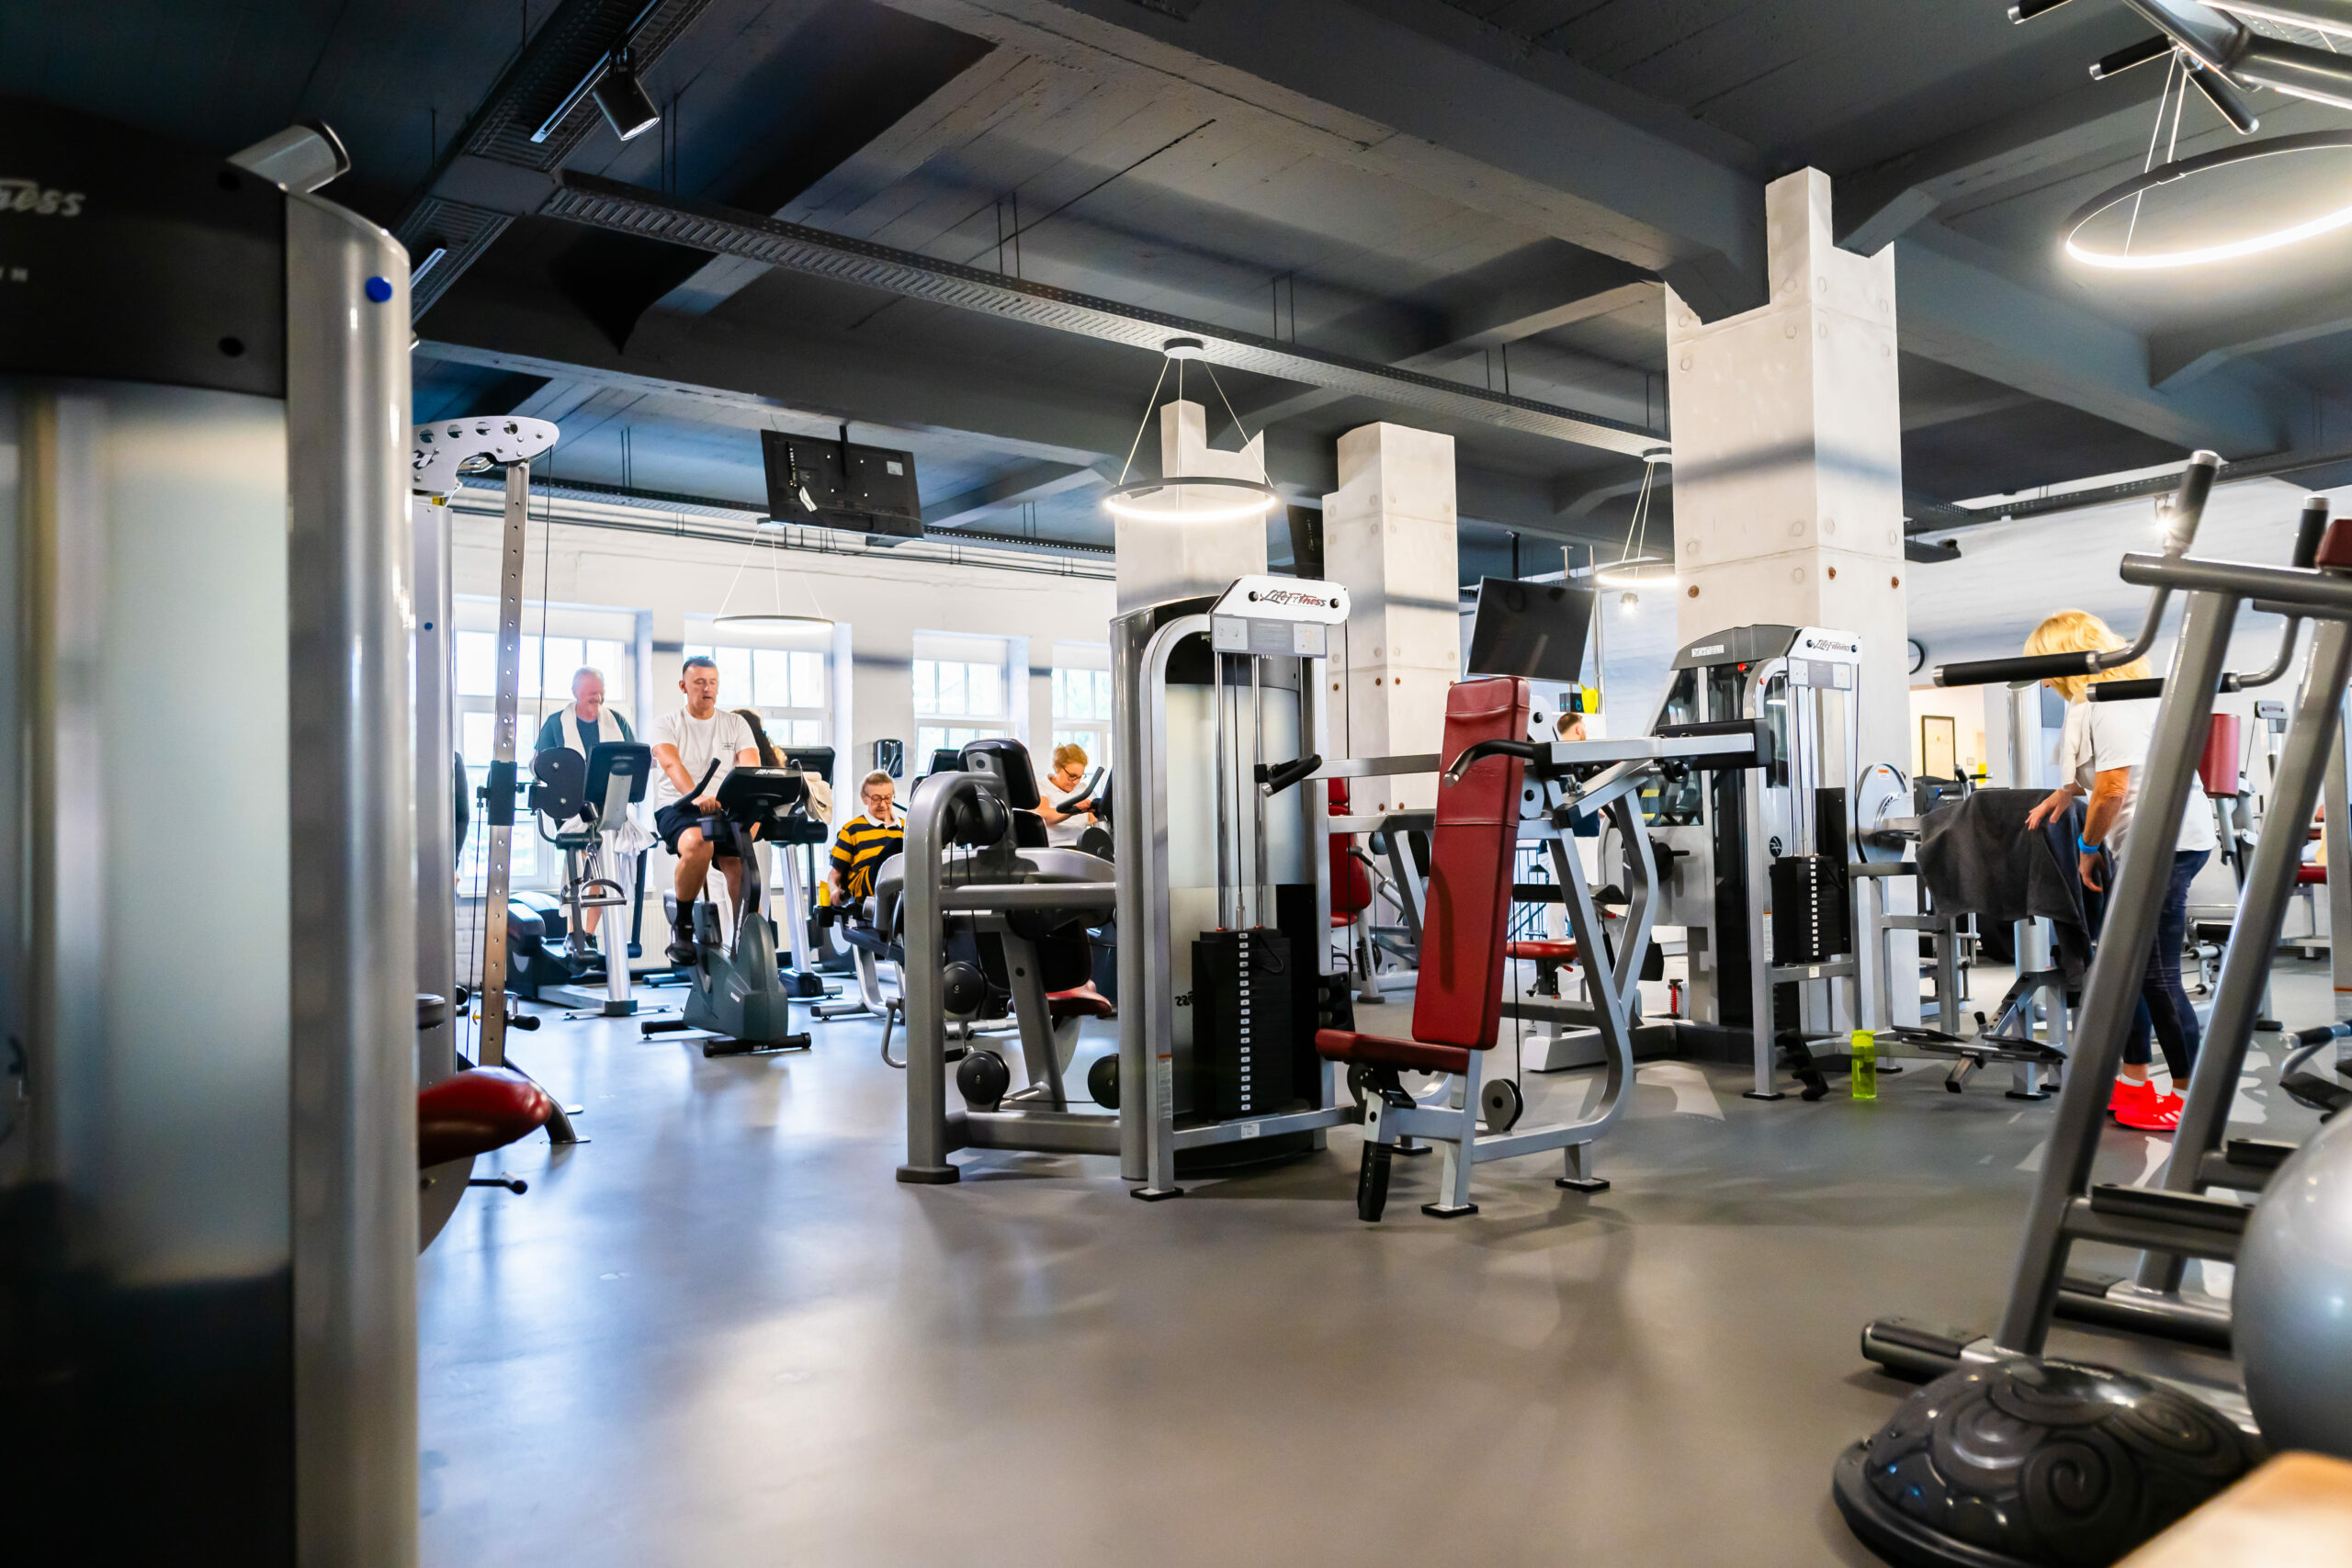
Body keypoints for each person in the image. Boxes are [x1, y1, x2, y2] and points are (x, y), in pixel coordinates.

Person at [2020, 609, 2217, 1134]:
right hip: (2143, 844)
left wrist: (2087, 847)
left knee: (2155, 973)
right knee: (2120, 967)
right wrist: (2064, 792)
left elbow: (2112, 788)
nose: (2042, 679)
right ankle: (2134, 1082)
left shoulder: (2113, 699)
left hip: (2167, 844)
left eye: (2043, 667)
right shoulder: (2090, 700)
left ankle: (2190, 1099)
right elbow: (2098, 770)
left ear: (2063, 659)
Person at [649, 656, 761, 965]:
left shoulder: (735, 724)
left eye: (712, 682)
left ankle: (747, 941)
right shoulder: (666, 723)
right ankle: (683, 927)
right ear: (683, 686)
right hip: (678, 806)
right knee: (700, 844)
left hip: (724, 807)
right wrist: (695, 796)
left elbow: (750, 765)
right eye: (699, 682)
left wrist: (749, 803)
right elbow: (671, 764)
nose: (706, 688)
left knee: (740, 864)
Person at [533, 667, 637, 934]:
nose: (597, 699)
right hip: (570, 805)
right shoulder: (556, 723)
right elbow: (538, 763)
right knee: (582, 861)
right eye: (591, 694)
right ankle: (574, 931)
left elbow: (634, 758)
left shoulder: (617, 721)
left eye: (601, 693)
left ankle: (587, 933)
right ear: (575, 692)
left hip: (609, 803)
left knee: (604, 861)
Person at [830, 771, 904, 905]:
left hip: (902, 885)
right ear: (864, 798)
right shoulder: (852, 829)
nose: (883, 804)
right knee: (898, 844)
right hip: (867, 889)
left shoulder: (906, 827)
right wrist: (834, 890)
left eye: (887, 798)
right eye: (876, 799)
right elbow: (835, 873)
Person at [1035, 742, 1099, 849]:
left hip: (1080, 847)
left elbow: (1095, 820)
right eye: (1072, 776)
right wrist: (1073, 809)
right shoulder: (1041, 786)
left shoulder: (1084, 789)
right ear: (1056, 767)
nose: (1076, 782)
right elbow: (1044, 816)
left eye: (1080, 777)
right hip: (1053, 848)